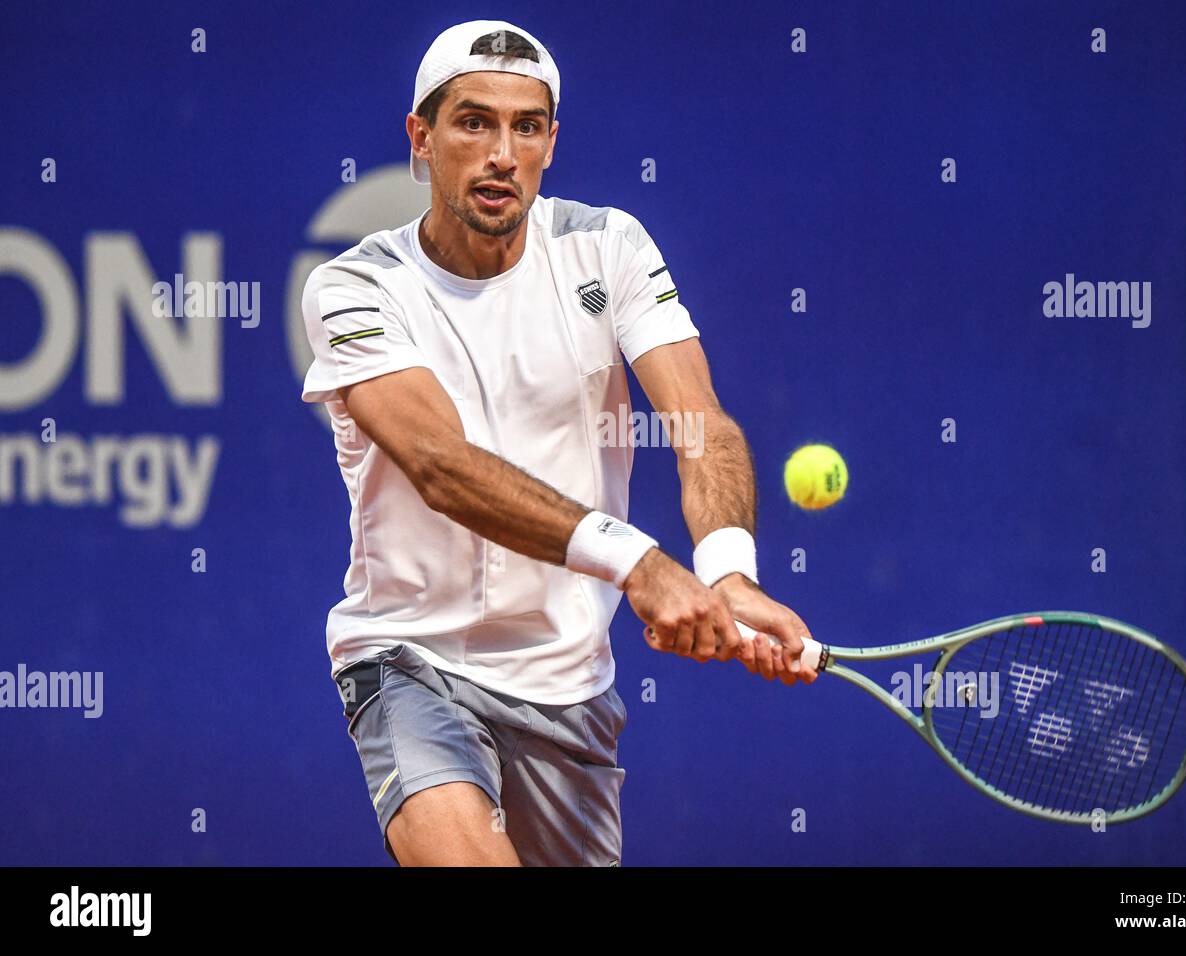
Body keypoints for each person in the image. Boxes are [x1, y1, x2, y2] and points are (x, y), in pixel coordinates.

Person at [299, 19, 817, 867]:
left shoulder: (607, 247)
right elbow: (441, 465)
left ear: (550, 142)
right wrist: (642, 564)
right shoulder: (355, 286)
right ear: (420, 140)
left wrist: (730, 570)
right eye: (474, 122)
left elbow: (700, 421)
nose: (503, 152)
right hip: (413, 658)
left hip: (572, 686)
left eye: (527, 126)